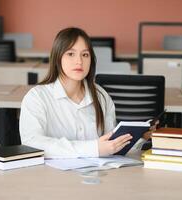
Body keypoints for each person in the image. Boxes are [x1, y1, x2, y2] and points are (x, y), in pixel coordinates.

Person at [19, 27, 155, 158]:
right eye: (70, 54)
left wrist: (140, 137)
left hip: (95, 176)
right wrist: (93, 148)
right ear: (57, 58)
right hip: (52, 178)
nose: (79, 61)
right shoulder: (36, 97)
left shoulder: (101, 96)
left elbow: (110, 145)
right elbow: (32, 143)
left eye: (85, 55)